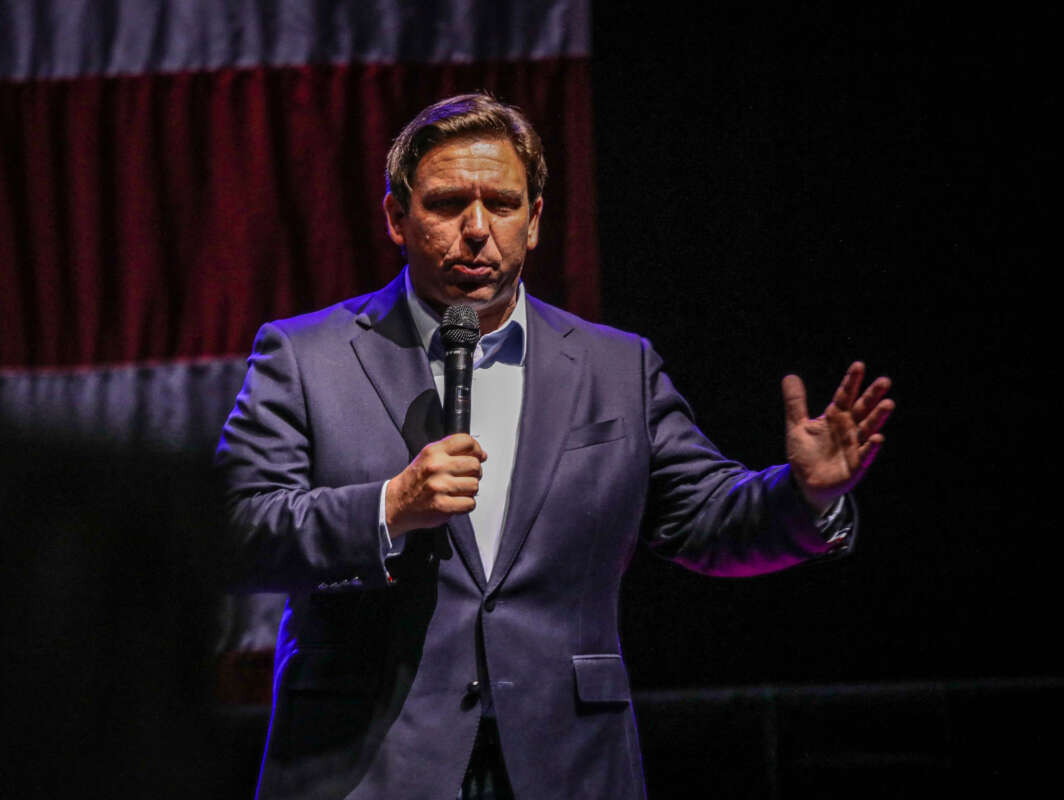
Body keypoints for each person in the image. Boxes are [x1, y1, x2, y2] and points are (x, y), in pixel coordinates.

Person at [215, 93, 893, 800]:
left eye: (502, 204)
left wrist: (807, 494)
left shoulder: (616, 369)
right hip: (366, 768)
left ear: (534, 221)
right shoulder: (306, 357)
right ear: (396, 217)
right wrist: (388, 506)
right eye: (447, 204)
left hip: (566, 767)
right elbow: (228, 534)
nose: (476, 229)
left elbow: (707, 521)